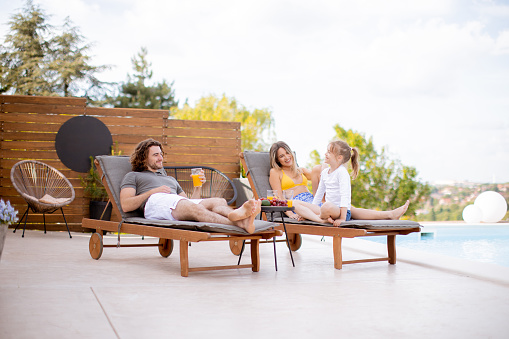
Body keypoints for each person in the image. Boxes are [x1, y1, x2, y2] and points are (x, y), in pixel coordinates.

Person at [120, 138, 261, 234]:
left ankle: (236, 215)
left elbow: (188, 204)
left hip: (174, 203)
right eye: (156, 155)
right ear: (144, 158)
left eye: (161, 154)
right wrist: (152, 192)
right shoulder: (133, 176)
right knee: (194, 208)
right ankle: (240, 223)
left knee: (218, 201)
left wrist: (198, 186)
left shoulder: (169, 179)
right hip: (155, 203)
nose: (161, 158)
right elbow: (126, 205)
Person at [268, 141, 409, 221]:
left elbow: (318, 175)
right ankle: (389, 215)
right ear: (276, 159)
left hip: (312, 200)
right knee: (348, 210)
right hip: (298, 203)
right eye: (281, 156)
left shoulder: (300, 169)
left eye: (287, 152)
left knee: (349, 209)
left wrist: (326, 168)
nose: (286, 157)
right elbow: (278, 197)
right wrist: (290, 214)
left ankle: (389, 215)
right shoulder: (276, 172)